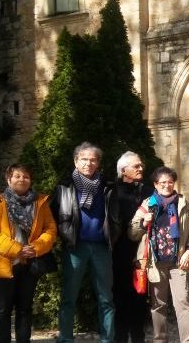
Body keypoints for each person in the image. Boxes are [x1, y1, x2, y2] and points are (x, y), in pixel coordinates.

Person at [52, 141, 120, 343]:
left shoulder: (107, 187)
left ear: (98, 163)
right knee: (68, 297)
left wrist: (112, 237)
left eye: (93, 160)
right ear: (75, 161)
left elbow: (116, 216)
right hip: (75, 248)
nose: (89, 163)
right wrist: (63, 238)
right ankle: (65, 339)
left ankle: (108, 339)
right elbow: (53, 217)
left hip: (101, 248)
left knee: (106, 298)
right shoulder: (64, 187)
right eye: (84, 159)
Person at [129, 166, 189, 343]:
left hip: (179, 261)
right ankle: (160, 340)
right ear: (155, 184)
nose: (166, 185)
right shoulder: (148, 204)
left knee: (183, 304)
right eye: (162, 182)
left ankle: (188, 341)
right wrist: (144, 223)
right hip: (155, 262)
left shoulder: (182, 202)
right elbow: (132, 232)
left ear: (174, 183)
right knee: (158, 305)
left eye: (170, 182)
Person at [0, 163, 57, 343]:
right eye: (17, 176)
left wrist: (35, 248)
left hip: (30, 263)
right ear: (8, 179)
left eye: (26, 176)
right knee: (2, 309)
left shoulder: (41, 203)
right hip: (4, 263)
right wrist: (17, 250)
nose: (22, 179)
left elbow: (50, 229)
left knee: (25, 308)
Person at [113, 151, 152, 343]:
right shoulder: (112, 192)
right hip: (118, 253)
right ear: (123, 170)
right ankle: (120, 338)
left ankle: (139, 338)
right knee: (120, 299)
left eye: (141, 165)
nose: (141, 168)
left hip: (142, 253)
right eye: (136, 166)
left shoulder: (146, 191)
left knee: (139, 298)